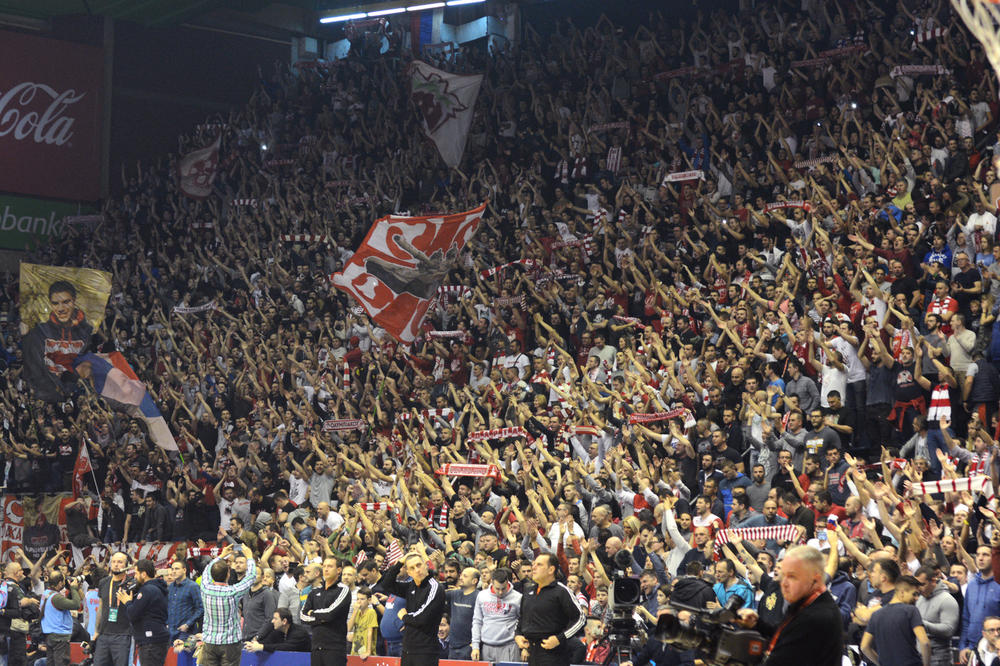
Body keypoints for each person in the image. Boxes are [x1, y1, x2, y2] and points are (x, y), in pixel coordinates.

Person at [738, 545, 842, 666]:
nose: (784, 583)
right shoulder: (807, 601)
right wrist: (758, 624)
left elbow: (781, 659)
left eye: (792, 576)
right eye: (783, 576)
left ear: (816, 579)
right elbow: (785, 633)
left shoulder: (818, 616)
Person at [21, 280, 94, 402]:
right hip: (49, 396)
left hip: (80, 395)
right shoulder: (39, 332)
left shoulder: (87, 331)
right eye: (55, 303)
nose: (61, 309)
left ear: (74, 301)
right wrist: (26, 338)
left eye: (66, 302)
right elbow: (33, 365)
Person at [515, 552, 587, 666]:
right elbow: (522, 617)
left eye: (539, 565)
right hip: (532, 653)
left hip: (555, 654)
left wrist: (560, 638)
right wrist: (518, 634)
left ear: (551, 569)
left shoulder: (561, 591)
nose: (534, 567)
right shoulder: (528, 591)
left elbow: (580, 619)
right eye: (534, 564)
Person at [378, 550, 447, 666]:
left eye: (419, 565)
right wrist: (401, 562)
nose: (417, 570)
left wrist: (404, 616)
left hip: (426, 651)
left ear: (426, 565)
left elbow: (422, 619)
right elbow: (386, 584)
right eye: (412, 568)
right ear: (409, 573)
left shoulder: (435, 587)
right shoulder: (411, 587)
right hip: (407, 648)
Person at [200, 542, 257, 666]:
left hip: (210, 641)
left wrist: (221, 556)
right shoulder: (232, 592)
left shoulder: (205, 588)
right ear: (228, 574)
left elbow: (207, 569)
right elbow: (252, 577)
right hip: (230, 642)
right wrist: (249, 557)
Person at [862, 575, 931, 666]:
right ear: (902, 592)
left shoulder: (875, 615)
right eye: (914, 594)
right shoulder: (911, 610)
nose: (917, 598)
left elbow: (864, 647)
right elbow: (925, 642)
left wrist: (880, 663)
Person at [300, 557, 351, 666]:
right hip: (316, 647)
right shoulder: (314, 592)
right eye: (324, 566)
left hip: (335, 648)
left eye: (330, 566)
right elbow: (302, 616)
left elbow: (330, 614)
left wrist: (312, 613)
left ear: (339, 570)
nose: (326, 569)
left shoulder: (343, 590)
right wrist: (321, 619)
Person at [119, 558, 170, 666]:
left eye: (136, 573)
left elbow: (132, 614)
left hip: (151, 641)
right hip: (155, 639)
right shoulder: (156, 587)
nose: (135, 577)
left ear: (144, 574)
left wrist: (127, 602)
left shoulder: (147, 590)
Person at [471, 567, 522, 662]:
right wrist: (475, 646)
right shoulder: (482, 596)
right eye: (497, 588)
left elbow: (524, 622)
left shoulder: (518, 598)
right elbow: (477, 621)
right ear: (492, 582)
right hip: (487, 646)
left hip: (509, 646)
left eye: (503, 588)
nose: (500, 592)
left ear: (507, 582)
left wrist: (524, 648)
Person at [39, 573, 83, 666]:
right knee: (61, 663)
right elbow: (76, 605)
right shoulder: (56, 598)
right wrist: (74, 589)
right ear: (59, 583)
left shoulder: (46, 593)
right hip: (60, 637)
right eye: (63, 581)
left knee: (51, 663)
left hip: (50, 635)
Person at [446, 566, 479, 659]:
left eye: (465, 576)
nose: (460, 578)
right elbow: (438, 594)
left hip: (468, 647)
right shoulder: (454, 593)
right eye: (461, 575)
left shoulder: (479, 597)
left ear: (474, 581)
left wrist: (474, 645)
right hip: (452, 647)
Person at [166, 559, 202, 643]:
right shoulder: (170, 587)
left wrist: (188, 624)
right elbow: (168, 607)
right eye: (172, 569)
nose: (174, 571)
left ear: (184, 570)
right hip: (171, 632)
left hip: (186, 632)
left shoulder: (193, 586)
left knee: (184, 652)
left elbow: (200, 608)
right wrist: (167, 623)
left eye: (177, 569)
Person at [245, 609, 311, 653]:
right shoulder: (278, 631)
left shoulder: (299, 633)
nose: (272, 621)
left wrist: (262, 647)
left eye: (275, 619)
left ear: (284, 621)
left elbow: (286, 647)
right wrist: (253, 644)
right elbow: (268, 642)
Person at [348, 587, 378, 659]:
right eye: (357, 599)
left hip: (366, 653)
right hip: (355, 651)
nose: (359, 602)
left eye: (362, 599)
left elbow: (370, 633)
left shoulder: (371, 612)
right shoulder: (357, 612)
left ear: (369, 600)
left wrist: (368, 651)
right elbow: (349, 628)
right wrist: (355, 611)